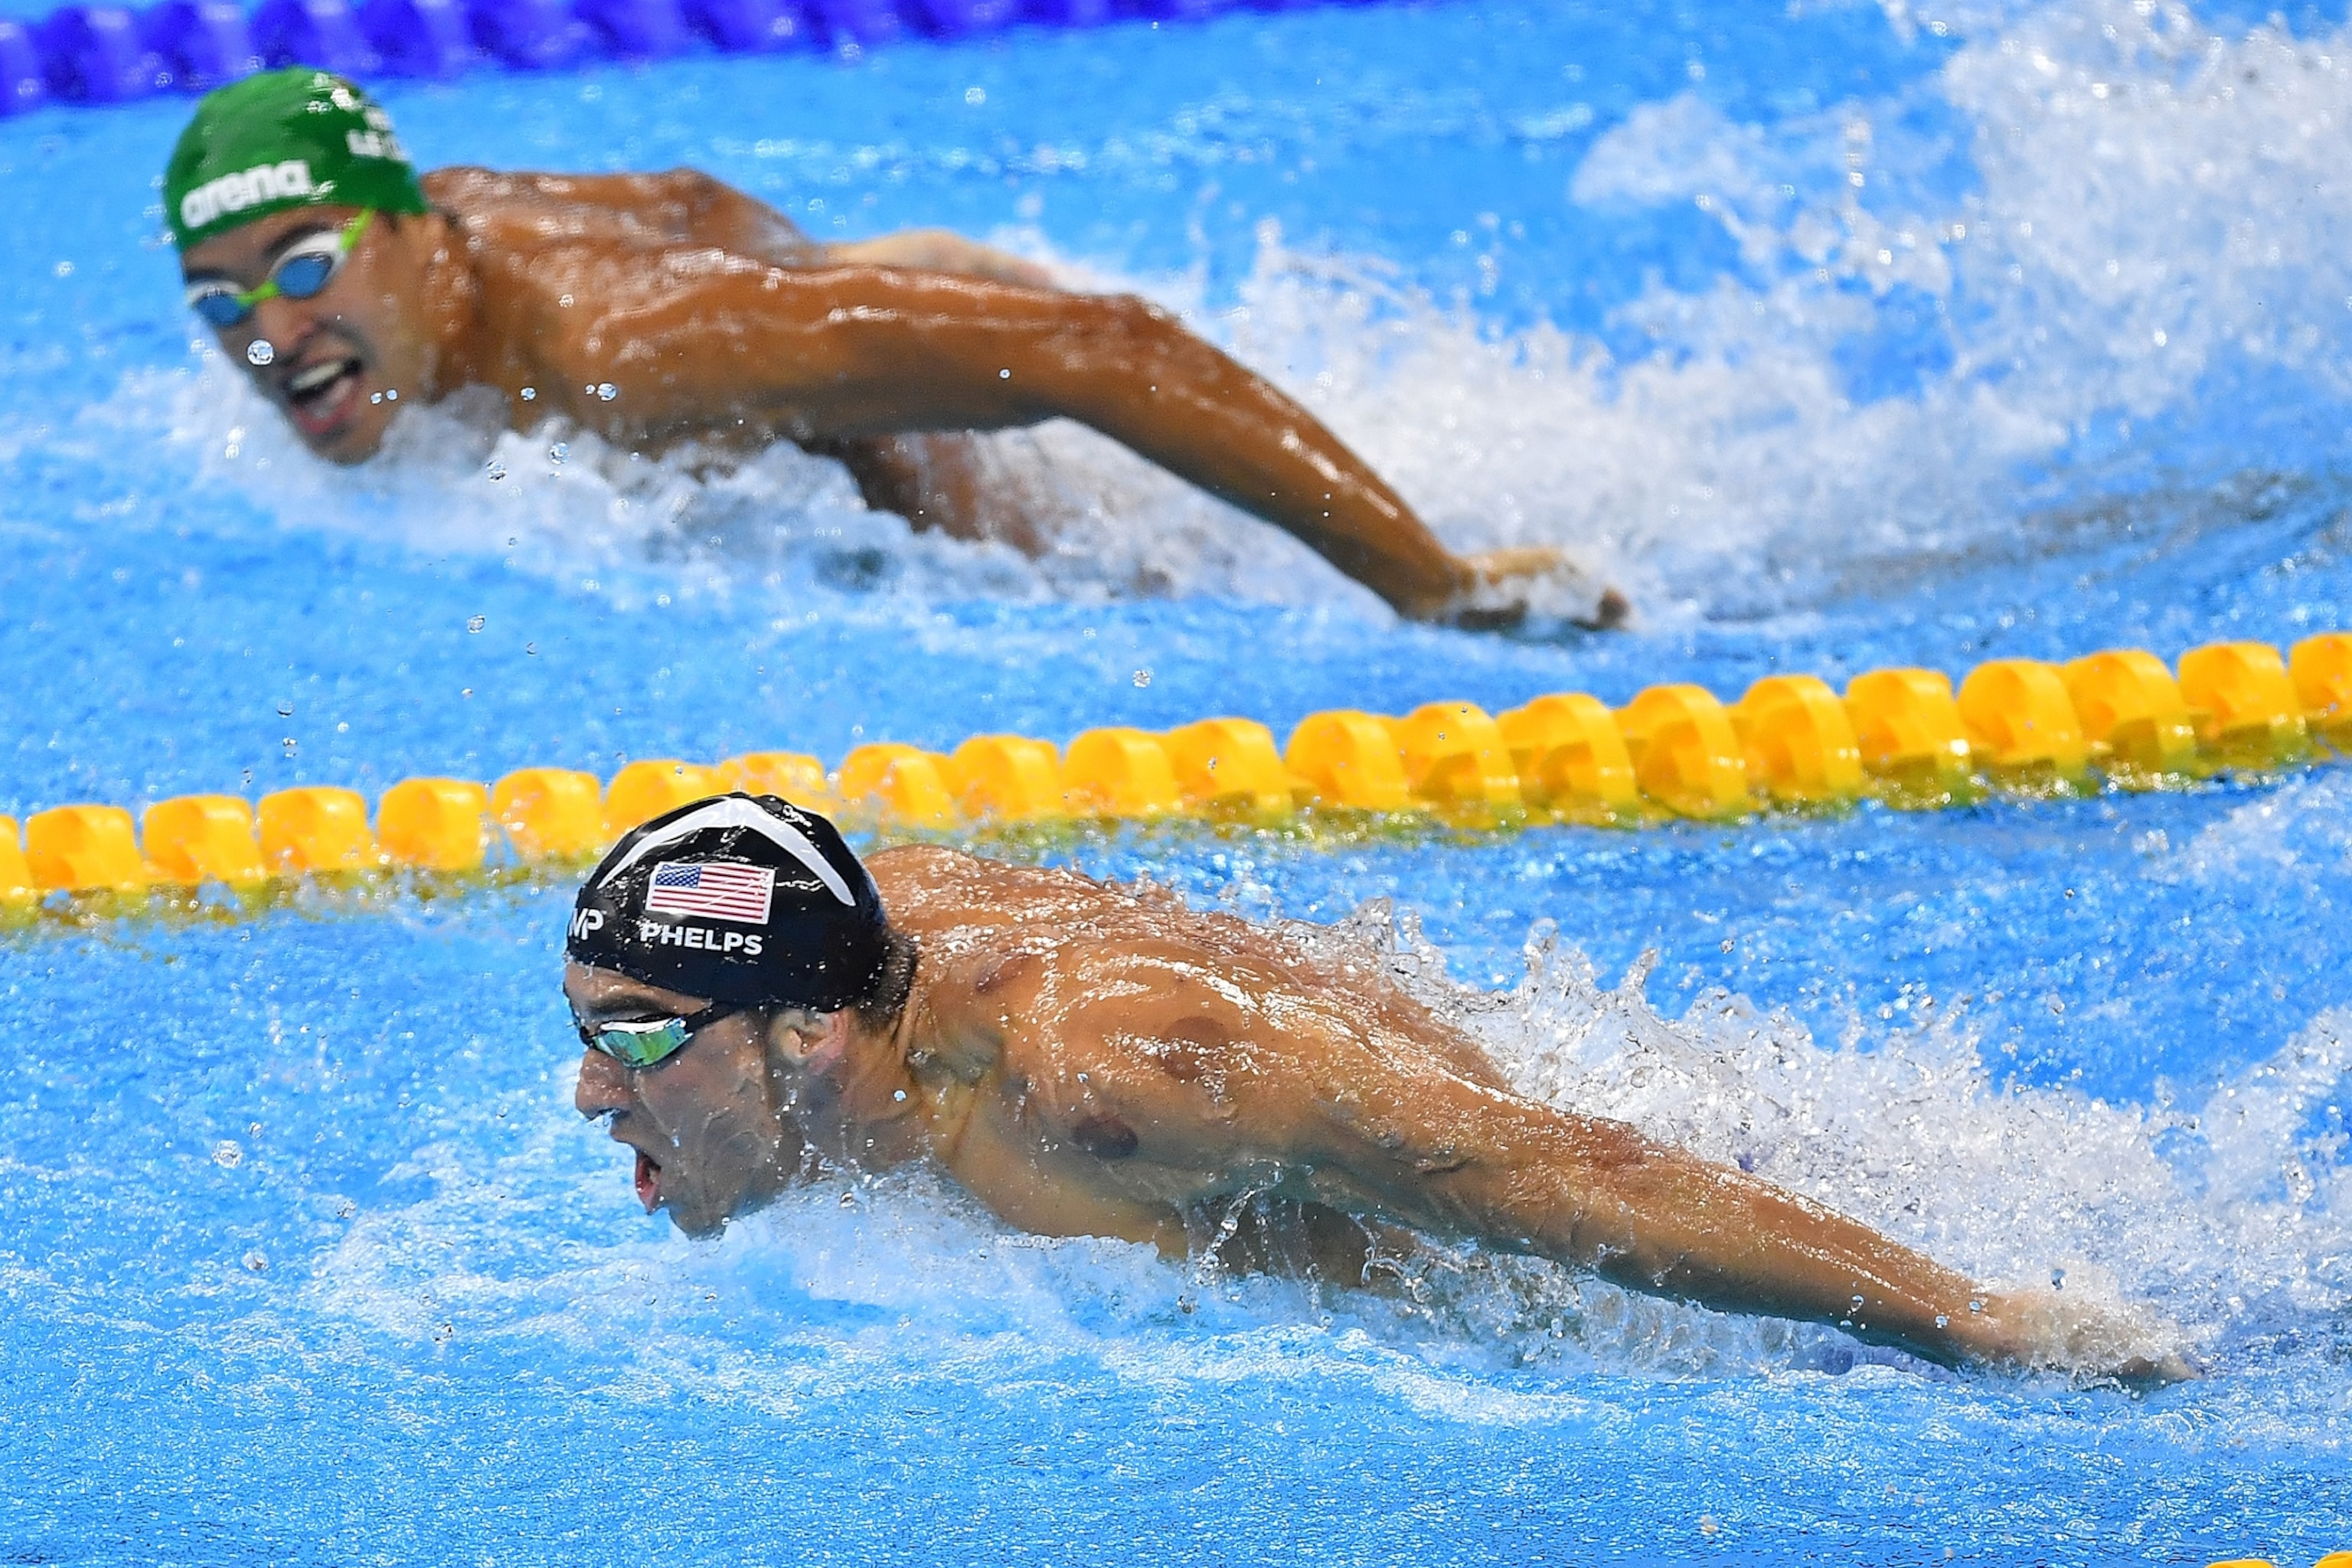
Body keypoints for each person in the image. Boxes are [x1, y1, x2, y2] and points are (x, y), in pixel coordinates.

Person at [561, 792, 2193, 1383]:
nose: (585, 1092)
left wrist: (1968, 1315)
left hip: (1609, 1308)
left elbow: (1541, 1182)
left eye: (632, 1035)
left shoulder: (1106, 1084)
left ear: (802, 1036)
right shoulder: (847, 944)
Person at [164, 67, 1627, 631]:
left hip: (863, 391)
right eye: (221, 302)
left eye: (301, 269)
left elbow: (1101, 345)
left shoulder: (625, 347)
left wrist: (1427, 584)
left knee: (1130, 587)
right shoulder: (411, 283)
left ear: (420, 239)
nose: (268, 335)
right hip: (797, 291)